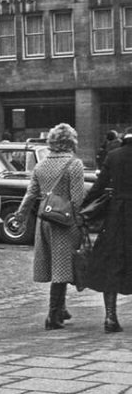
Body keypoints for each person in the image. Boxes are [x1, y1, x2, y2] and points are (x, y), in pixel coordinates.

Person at [12, 123, 87, 330]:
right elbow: (77, 199)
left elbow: (30, 195)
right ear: (71, 142)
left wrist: (20, 216)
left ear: (51, 142)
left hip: (44, 220)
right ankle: (53, 316)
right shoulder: (74, 164)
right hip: (65, 221)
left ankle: (61, 309)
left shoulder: (41, 165)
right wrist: (81, 222)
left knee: (56, 264)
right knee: (62, 267)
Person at [79, 126, 132, 333]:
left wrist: (83, 206)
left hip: (117, 216)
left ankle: (110, 317)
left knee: (112, 262)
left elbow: (98, 187)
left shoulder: (113, 156)